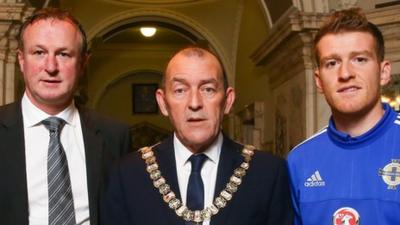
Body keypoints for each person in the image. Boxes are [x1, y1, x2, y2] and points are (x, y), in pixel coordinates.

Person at [101, 46, 294, 225]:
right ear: (162, 102)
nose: (194, 103)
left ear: (227, 101)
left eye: (208, 89)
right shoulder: (127, 175)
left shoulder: (267, 173)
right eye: (180, 90)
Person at [0, 7, 132, 225]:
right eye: (39, 53)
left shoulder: (114, 135)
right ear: (22, 61)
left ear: (83, 63)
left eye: (63, 54)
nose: (51, 67)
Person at [287, 8, 397, 225]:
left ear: (383, 72)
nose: (345, 73)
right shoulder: (299, 161)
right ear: (318, 81)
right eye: (332, 63)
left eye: (360, 59)